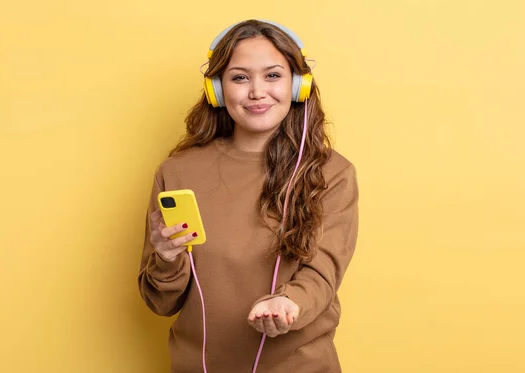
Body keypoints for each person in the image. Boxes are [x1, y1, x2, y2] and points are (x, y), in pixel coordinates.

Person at [138, 19, 359, 373]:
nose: (257, 91)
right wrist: (165, 259)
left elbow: (322, 273)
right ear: (218, 91)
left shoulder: (332, 172)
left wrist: (289, 303)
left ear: (298, 85)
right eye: (240, 77)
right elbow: (161, 303)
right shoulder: (177, 172)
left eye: (273, 75)